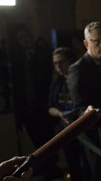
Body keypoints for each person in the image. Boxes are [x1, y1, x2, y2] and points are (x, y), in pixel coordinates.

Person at [67, 21, 101, 181]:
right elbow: (78, 107)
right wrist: (87, 112)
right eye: (98, 41)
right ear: (86, 43)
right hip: (95, 134)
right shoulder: (77, 69)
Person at [10, 28, 63, 180]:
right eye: (20, 38)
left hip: (43, 107)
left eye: (26, 36)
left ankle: (52, 169)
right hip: (28, 109)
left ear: (32, 37)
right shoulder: (17, 58)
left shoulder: (44, 54)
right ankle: (45, 169)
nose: (24, 40)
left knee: (48, 142)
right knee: (37, 142)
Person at [48, 47, 88, 181]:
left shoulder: (79, 78)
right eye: (55, 63)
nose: (58, 66)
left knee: (87, 163)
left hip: (82, 127)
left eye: (61, 62)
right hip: (64, 128)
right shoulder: (56, 82)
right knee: (72, 162)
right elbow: (50, 106)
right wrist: (59, 113)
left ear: (70, 61)